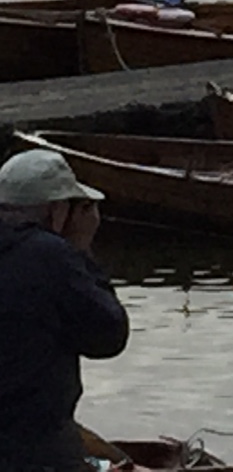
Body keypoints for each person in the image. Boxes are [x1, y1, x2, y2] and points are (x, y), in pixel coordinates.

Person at [0, 150, 125, 472]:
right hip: (30, 447)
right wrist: (81, 249)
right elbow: (108, 336)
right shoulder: (50, 256)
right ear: (57, 210)